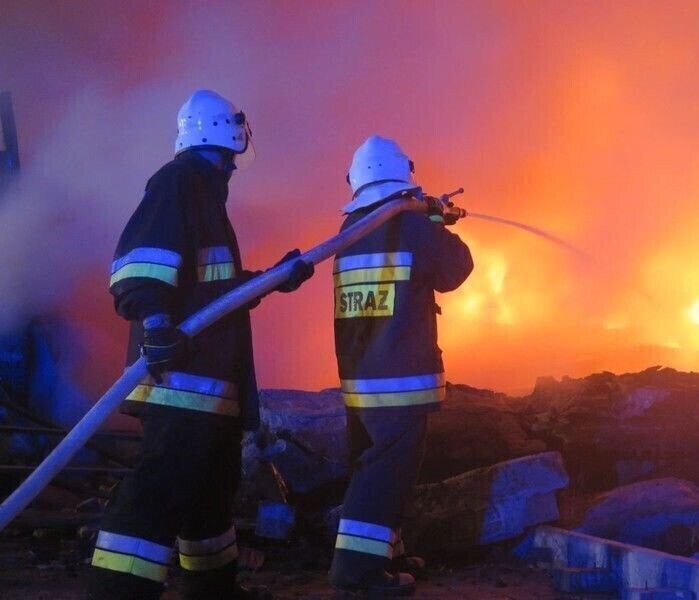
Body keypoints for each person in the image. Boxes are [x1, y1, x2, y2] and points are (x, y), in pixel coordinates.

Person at [87, 89, 313, 600]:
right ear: (222, 140)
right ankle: (114, 592)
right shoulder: (178, 183)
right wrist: (157, 320)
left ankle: (213, 589)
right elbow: (138, 262)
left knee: (210, 496)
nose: (234, 168)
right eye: (231, 158)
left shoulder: (206, 195)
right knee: (157, 494)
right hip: (180, 385)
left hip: (210, 390)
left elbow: (213, 292)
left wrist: (275, 277)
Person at [329, 136, 473, 595]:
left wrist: (425, 217)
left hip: (360, 380)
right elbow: (456, 268)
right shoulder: (410, 226)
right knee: (385, 477)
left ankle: (386, 554)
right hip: (400, 380)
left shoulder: (349, 231)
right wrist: (433, 221)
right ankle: (356, 576)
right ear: (404, 178)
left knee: (374, 471)